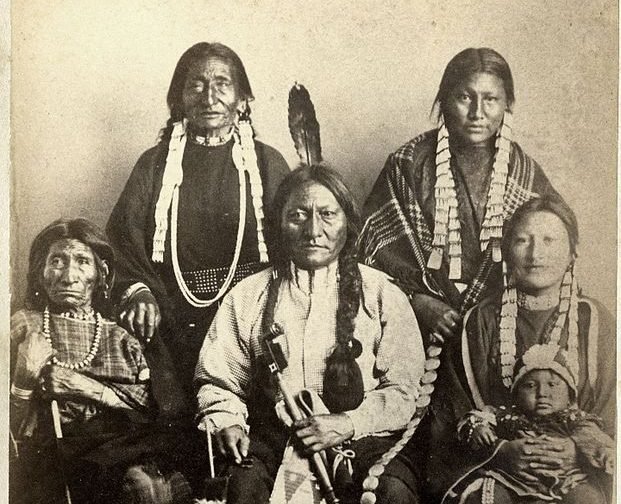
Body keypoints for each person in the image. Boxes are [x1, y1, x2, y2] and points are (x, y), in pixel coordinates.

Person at [195, 165, 426, 503]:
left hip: (364, 438)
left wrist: (347, 423)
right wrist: (227, 421)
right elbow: (218, 382)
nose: (313, 230)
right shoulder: (247, 297)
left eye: (328, 215)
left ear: (348, 222)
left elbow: (405, 391)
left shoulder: (381, 294)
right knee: (243, 488)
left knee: (390, 492)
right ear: (278, 224)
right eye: (298, 216)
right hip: (274, 440)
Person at [106, 42, 289, 398]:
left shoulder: (268, 164)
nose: (209, 97)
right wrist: (139, 293)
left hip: (252, 318)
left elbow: (294, 243)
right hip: (170, 321)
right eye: (197, 85)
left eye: (222, 84)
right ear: (179, 99)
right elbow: (122, 241)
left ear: (242, 99)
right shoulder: (154, 165)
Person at [359, 47, 560, 342]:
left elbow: (555, 255)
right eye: (465, 97)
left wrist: (491, 315)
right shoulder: (408, 164)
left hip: (503, 326)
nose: (477, 113)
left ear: (507, 104)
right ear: (444, 100)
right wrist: (417, 302)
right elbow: (370, 255)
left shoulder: (524, 174)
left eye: (490, 99)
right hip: (415, 325)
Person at [424, 196, 615, 501]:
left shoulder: (594, 321)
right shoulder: (480, 321)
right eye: (522, 240)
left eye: (549, 240)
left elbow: (612, 408)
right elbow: (452, 414)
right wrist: (499, 451)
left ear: (572, 252)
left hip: (578, 472)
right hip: (496, 470)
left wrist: (577, 448)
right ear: (506, 251)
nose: (535, 254)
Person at [9, 219, 203, 504]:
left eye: (82, 262)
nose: (69, 276)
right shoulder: (24, 327)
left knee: (151, 484)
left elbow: (155, 414)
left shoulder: (122, 337)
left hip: (126, 452)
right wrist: (24, 380)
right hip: (57, 460)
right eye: (57, 261)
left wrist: (83, 387)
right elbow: (11, 434)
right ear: (40, 272)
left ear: (102, 274)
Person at [445, 343, 612, 503]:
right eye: (530, 385)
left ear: (570, 396)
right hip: (513, 480)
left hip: (566, 479)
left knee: (589, 498)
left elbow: (593, 438)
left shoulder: (574, 419)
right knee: (486, 495)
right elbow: (478, 418)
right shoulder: (509, 416)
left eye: (552, 384)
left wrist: (607, 454)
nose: (542, 393)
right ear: (517, 395)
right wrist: (478, 427)